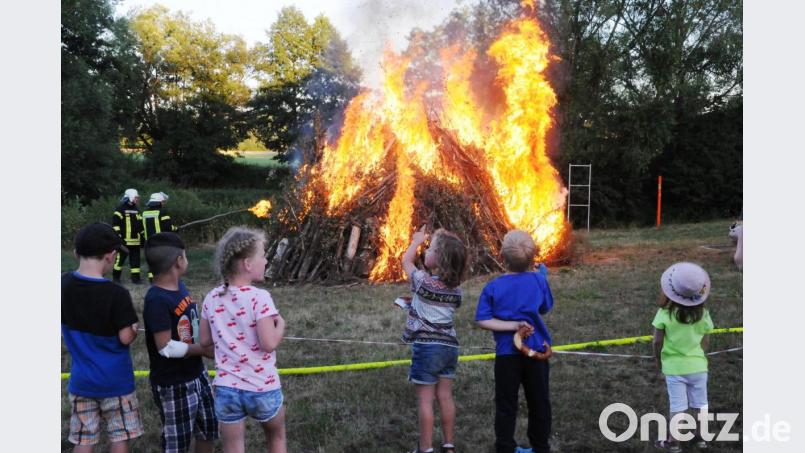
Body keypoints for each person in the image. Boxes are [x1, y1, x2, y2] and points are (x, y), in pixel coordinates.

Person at [199, 227, 287, 453]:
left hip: (226, 389)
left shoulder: (211, 297)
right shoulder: (261, 298)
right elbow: (269, 343)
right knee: (276, 437)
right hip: (262, 388)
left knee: (233, 447)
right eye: (263, 255)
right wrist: (281, 326)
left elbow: (205, 340)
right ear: (248, 264)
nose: (266, 260)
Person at [62, 222, 143, 452]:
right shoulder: (117, 294)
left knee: (84, 440)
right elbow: (126, 337)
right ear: (111, 256)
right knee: (119, 437)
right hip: (115, 383)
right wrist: (134, 327)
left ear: (76, 253)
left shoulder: (62, 284)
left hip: (81, 382)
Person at [475, 229, 554, 453]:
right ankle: (541, 447)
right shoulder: (538, 281)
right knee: (539, 403)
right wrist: (543, 280)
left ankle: (505, 447)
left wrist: (509, 325)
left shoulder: (493, 287)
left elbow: (483, 320)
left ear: (501, 256)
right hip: (536, 353)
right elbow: (545, 308)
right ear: (532, 259)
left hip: (507, 356)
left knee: (506, 405)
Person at [143, 232, 218, 453]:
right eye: (185, 255)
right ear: (179, 260)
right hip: (173, 384)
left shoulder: (179, 287)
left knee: (209, 428)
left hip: (197, 374)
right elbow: (166, 347)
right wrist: (203, 350)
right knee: (178, 442)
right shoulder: (157, 299)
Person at [400, 226, 468, 453]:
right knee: (445, 397)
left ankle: (425, 449)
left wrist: (416, 241)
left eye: (429, 249)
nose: (425, 252)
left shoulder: (423, 282)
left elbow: (406, 262)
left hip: (427, 348)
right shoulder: (457, 292)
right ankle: (449, 445)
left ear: (438, 259)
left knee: (425, 401)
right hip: (449, 348)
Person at [652, 262, 714, 452]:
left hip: (674, 369)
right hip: (699, 367)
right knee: (701, 404)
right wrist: (698, 355)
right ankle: (702, 439)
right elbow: (705, 342)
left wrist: (658, 359)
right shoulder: (703, 314)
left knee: (678, 407)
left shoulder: (663, 314)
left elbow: (657, 342)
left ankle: (674, 443)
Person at [142, 192, 178, 282]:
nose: (163, 203)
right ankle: (162, 278)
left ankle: (151, 279)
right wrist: (175, 228)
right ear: (158, 202)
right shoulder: (162, 212)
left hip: (149, 242)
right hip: (160, 241)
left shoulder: (145, 213)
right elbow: (168, 227)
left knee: (152, 261)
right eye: (162, 202)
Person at [112, 188, 144, 284]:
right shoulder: (120, 209)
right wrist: (119, 238)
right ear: (129, 197)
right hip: (124, 241)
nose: (137, 199)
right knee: (120, 260)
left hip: (136, 241)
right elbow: (115, 225)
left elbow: (140, 225)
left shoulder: (137, 209)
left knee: (136, 261)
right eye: (135, 197)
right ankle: (116, 278)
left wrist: (142, 237)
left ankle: (136, 279)